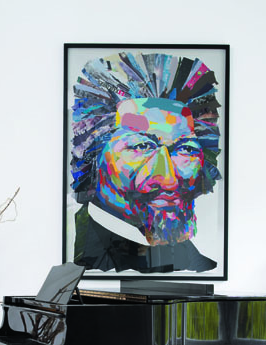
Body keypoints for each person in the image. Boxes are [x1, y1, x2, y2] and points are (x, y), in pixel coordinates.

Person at [69, 51, 222, 273]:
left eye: (186, 149)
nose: (168, 179)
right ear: (94, 157)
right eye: (141, 147)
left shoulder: (200, 268)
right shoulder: (81, 261)